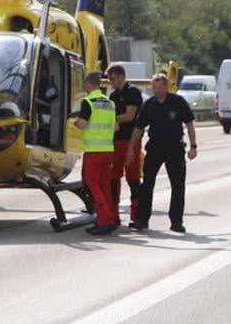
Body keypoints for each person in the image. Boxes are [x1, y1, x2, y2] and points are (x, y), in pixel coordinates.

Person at [128, 72, 198, 233]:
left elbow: (189, 124)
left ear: (166, 87)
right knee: (147, 184)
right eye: (154, 87)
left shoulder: (177, 102)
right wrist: (131, 149)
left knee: (178, 185)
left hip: (175, 148)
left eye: (160, 87)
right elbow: (138, 128)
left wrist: (193, 146)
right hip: (155, 148)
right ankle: (142, 219)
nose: (157, 90)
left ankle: (176, 222)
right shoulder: (149, 105)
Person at [72, 71, 119, 234]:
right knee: (105, 187)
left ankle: (104, 219)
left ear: (89, 85)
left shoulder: (88, 102)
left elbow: (83, 124)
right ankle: (108, 219)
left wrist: (76, 123)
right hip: (108, 150)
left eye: (85, 85)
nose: (84, 87)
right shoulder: (110, 103)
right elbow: (116, 127)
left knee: (92, 186)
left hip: (93, 151)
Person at [105, 63, 144, 222]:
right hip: (116, 140)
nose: (110, 81)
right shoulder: (113, 96)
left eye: (112, 78)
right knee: (113, 178)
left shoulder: (132, 92)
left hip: (131, 140)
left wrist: (111, 119)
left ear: (120, 76)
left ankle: (137, 214)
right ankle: (114, 213)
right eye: (109, 79)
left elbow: (130, 116)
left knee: (133, 178)